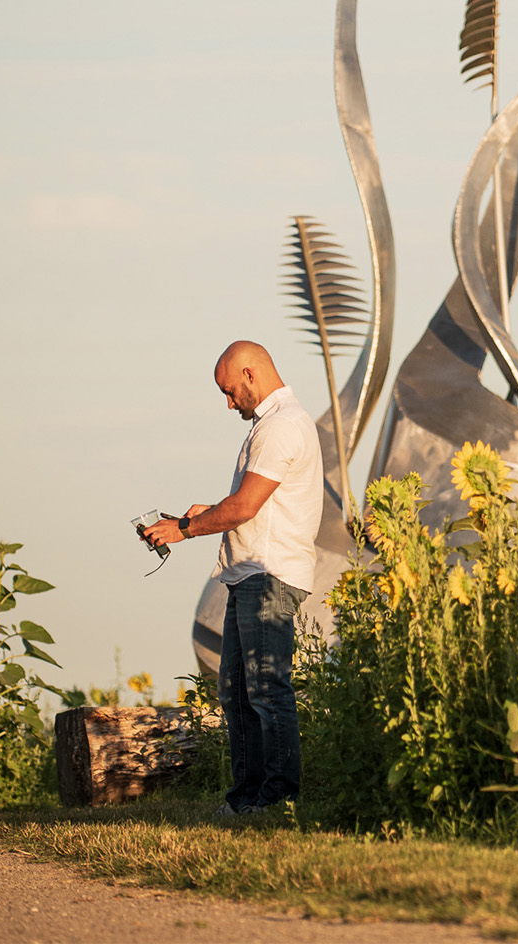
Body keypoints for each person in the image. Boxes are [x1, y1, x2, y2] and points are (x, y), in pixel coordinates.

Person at [143, 341, 321, 816]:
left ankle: (278, 800)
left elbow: (244, 507)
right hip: (251, 576)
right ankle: (245, 800)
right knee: (238, 693)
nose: (228, 403)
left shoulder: (281, 427)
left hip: (269, 576)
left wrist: (182, 528)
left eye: (229, 392)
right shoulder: (274, 424)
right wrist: (207, 511)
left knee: (266, 687)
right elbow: (250, 505)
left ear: (249, 374)